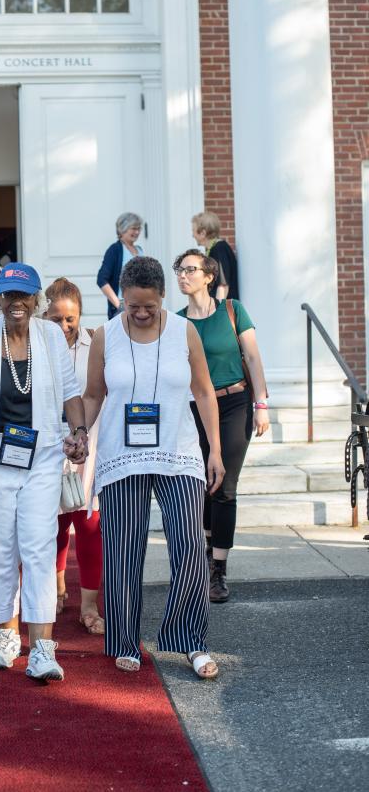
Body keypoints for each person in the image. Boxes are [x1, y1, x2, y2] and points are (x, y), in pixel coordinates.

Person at [84, 256, 225, 679]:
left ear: (163, 296)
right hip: (121, 455)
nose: (142, 313)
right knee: (124, 553)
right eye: (133, 306)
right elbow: (93, 395)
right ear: (122, 299)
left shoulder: (185, 332)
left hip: (179, 452)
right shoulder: (105, 335)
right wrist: (77, 432)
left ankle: (191, 640)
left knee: (189, 549)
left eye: (149, 305)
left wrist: (214, 449)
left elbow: (203, 391)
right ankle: (126, 640)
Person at [0, 263, 88, 682]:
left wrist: (78, 431)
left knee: (40, 547)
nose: (15, 303)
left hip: (42, 456)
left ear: (36, 300)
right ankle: (5, 636)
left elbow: (70, 391)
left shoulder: (49, 338)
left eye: (23, 296)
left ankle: (43, 647)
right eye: (7, 296)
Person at [175, 248, 269, 602]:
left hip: (234, 403)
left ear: (208, 275)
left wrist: (261, 404)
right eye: (179, 270)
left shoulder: (233, 310)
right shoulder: (178, 321)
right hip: (194, 407)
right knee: (200, 484)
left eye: (190, 270)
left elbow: (253, 357)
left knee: (225, 484)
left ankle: (218, 570)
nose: (183, 276)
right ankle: (202, 558)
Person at [45, 277, 104, 635]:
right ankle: (55, 589)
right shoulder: (34, 347)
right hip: (50, 450)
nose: (65, 326)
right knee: (53, 527)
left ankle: (88, 605)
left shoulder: (96, 344)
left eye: (71, 319)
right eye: (57, 319)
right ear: (44, 314)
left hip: (89, 448)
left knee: (89, 527)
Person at [97, 212, 144, 319]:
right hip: (124, 308)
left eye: (139, 228)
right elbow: (101, 279)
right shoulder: (115, 250)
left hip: (141, 305)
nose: (137, 232)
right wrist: (120, 305)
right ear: (123, 228)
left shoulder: (140, 250)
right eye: (133, 228)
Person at [191, 211, 239, 300]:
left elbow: (222, 286)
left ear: (203, 233)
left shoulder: (219, 249)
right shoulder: (214, 249)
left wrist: (217, 311)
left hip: (225, 311)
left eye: (193, 231)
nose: (192, 235)